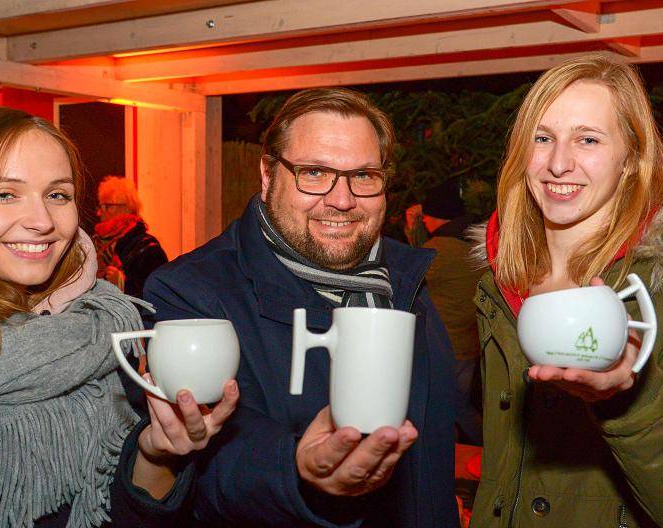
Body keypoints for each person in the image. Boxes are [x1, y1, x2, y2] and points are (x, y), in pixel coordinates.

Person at [0, 106, 237, 527]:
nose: (41, 221)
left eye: (58, 195)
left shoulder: (102, 328)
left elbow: (119, 512)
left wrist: (156, 454)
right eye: (4, 194)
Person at [468, 53, 663, 526]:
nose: (558, 163)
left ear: (632, 159)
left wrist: (627, 397)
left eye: (588, 139)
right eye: (543, 138)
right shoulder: (500, 280)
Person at [143, 87, 458, 527]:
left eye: (364, 175)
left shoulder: (408, 282)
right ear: (268, 174)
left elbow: (439, 435)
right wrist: (299, 472)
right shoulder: (191, 291)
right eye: (314, 172)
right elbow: (206, 466)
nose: (342, 199)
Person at [418, 178, 483, 446]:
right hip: (469, 344)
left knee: (449, 408)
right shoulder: (471, 242)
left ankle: (487, 449)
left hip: (445, 348)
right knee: (459, 404)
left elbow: (409, 272)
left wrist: (416, 231)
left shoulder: (440, 250)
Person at [93, 175, 168, 298]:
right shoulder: (96, 243)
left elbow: (159, 294)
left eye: (106, 206)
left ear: (124, 208)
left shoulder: (148, 248)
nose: (99, 212)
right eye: (100, 206)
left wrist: (124, 284)